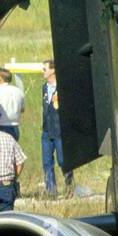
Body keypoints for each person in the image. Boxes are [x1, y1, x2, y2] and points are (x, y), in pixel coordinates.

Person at [40, 59, 73, 197]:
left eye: (45, 69)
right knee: (47, 161)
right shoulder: (44, 88)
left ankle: (69, 186)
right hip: (47, 130)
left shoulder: (64, 86)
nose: (43, 72)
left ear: (53, 70)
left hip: (60, 129)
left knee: (62, 160)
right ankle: (51, 191)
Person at [0, 67, 25, 142]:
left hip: (1, 126)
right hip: (15, 127)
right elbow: (22, 109)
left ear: (0, 78)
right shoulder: (18, 91)